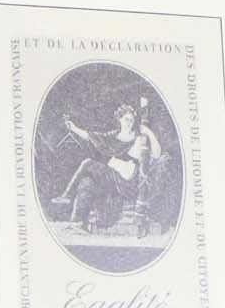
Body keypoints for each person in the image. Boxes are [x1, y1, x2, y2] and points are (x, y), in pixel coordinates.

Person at [52, 97, 169, 236]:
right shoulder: (113, 136)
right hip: (113, 179)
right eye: (126, 119)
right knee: (87, 180)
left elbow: (157, 153)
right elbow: (91, 136)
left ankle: (66, 195)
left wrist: (149, 132)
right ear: (119, 120)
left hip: (129, 181)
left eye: (131, 120)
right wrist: (73, 128)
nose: (128, 123)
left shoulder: (139, 137)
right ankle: (78, 224)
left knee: (88, 163)